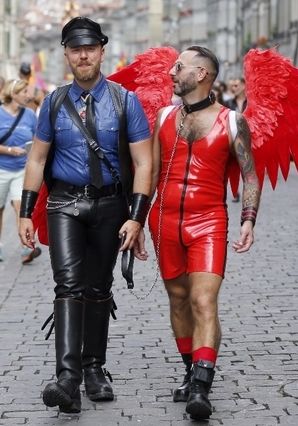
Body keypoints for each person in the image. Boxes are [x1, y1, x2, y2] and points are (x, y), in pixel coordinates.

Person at [18, 16, 152, 413]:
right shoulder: (54, 102)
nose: (83, 55)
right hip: (64, 205)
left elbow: (144, 163)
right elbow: (37, 158)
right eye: (75, 49)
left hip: (111, 205)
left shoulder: (125, 101)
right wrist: (26, 212)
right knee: (69, 285)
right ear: (66, 54)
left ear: (101, 51)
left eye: (89, 48)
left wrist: (137, 216)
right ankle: (68, 378)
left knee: (98, 288)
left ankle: (95, 369)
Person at [148, 46, 260, 420]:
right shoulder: (164, 115)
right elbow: (149, 174)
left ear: (201, 75)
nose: (171, 72)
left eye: (179, 66)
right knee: (178, 300)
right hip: (163, 221)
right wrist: (135, 218)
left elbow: (250, 176)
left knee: (202, 301)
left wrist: (248, 219)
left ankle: (201, 386)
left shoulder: (232, 121)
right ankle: (189, 369)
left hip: (208, 221)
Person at [0, 79, 41, 263]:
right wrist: (9, 150)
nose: (28, 95)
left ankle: (26, 248)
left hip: (20, 169)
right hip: (1, 169)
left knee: (20, 207)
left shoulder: (30, 115)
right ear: (13, 93)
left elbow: (36, 140)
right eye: (24, 92)